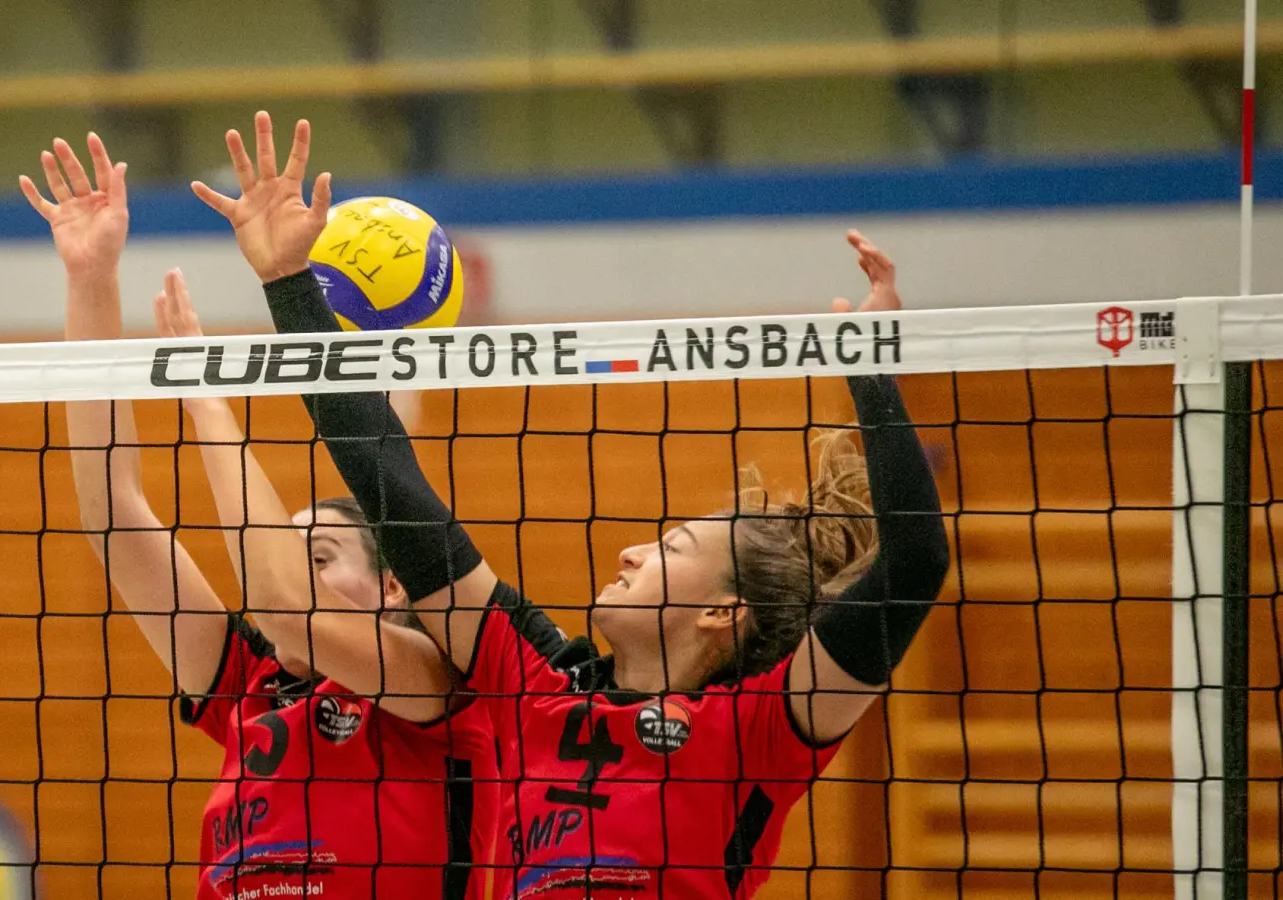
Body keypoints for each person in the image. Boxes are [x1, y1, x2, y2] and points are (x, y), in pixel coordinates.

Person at [195, 111, 951, 899]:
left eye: (673, 546)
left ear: (723, 612)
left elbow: (916, 562)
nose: (633, 552)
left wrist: (870, 369)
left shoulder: (766, 728)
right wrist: (289, 286)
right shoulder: (529, 681)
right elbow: (391, 486)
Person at [19, 133, 493, 900]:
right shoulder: (250, 687)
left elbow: (285, 606)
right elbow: (113, 513)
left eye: (321, 555)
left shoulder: (438, 687)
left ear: (394, 588)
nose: (285, 564)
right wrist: (92, 280)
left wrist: (206, 396)